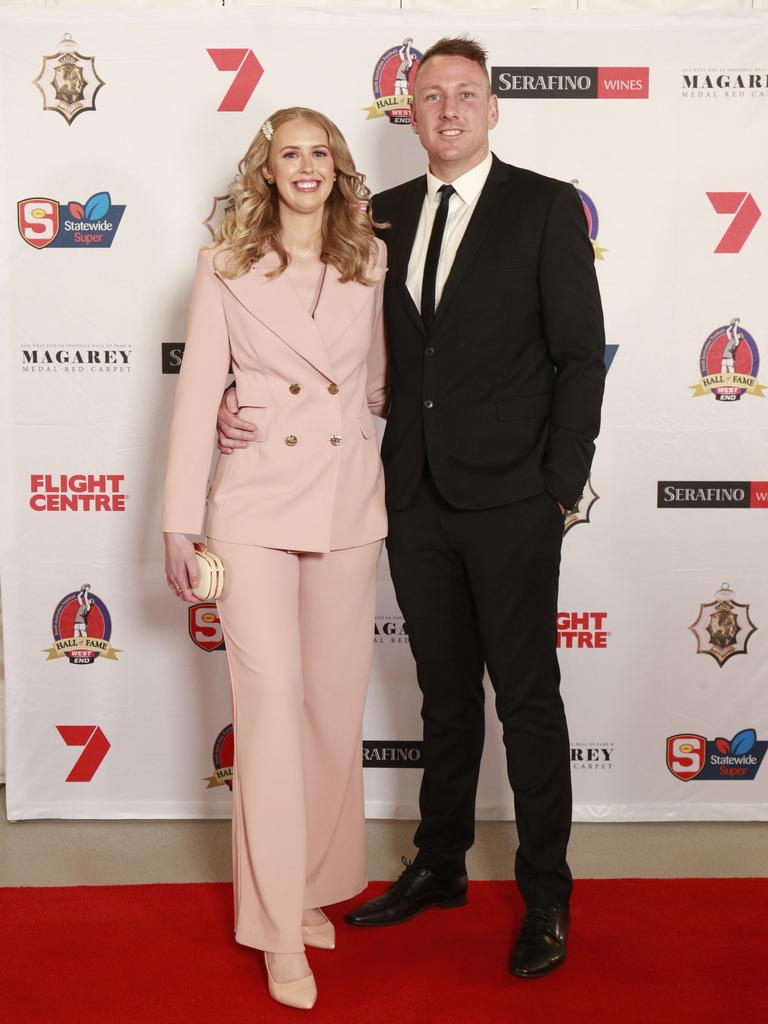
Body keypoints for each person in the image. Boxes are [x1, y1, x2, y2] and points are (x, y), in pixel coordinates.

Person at [217, 37, 605, 982]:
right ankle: (438, 864)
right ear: (410, 111)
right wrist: (241, 401)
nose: (448, 110)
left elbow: (580, 358)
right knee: (440, 694)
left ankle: (546, 892)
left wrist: (559, 485)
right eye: (431, 96)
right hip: (409, 493)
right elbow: (309, 329)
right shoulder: (373, 217)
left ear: (492, 107)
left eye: (466, 95)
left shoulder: (546, 207)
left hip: (515, 495)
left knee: (526, 697)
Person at [162, 107, 388, 1010]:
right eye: (289, 153)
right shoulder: (223, 266)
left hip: (347, 506)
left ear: (337, 167)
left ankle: (307, 889)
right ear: (266, 169)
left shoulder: (369, 260)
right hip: (251, 506)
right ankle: (271, 929)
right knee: (266, 712)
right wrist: (180, 523)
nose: (306, 166)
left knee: (333, 708)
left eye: (320, 152)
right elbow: (192, 402)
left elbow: (383, 380)